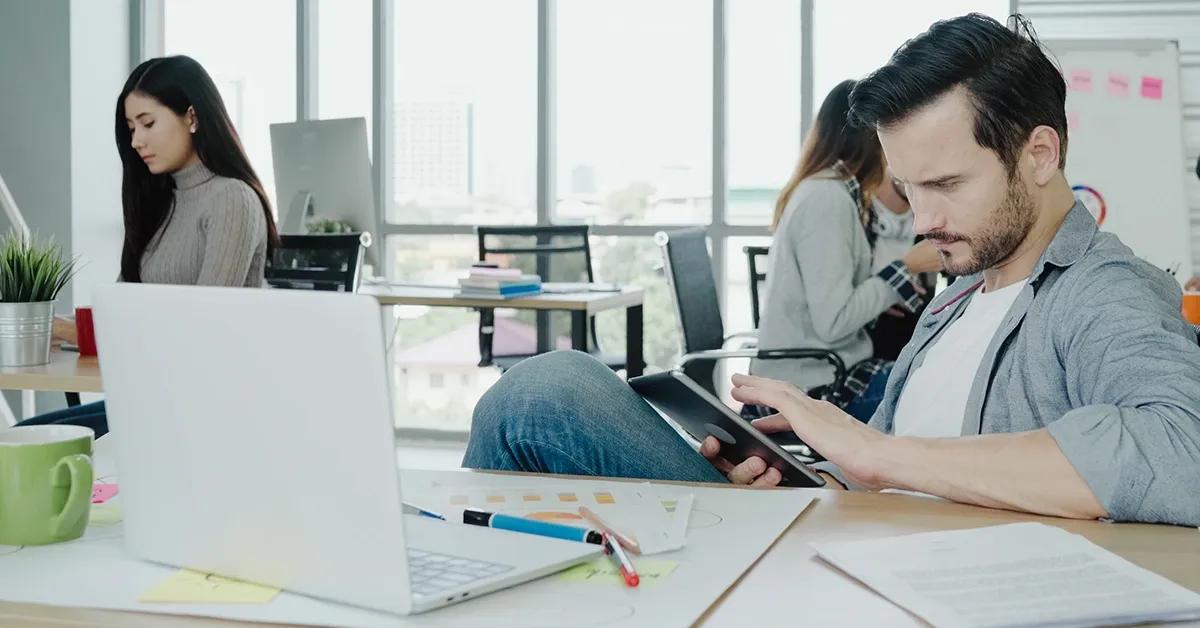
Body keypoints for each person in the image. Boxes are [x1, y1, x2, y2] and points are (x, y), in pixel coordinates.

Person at [462, 13, 1200, 527]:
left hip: (888, 570)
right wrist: (816, 471)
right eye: (910, 191)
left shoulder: (1102, 289)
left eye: (946, 186)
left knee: (544, 395)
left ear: (1039, 155)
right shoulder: (959, 297)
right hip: (828, 525)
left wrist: (880, 457)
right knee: (549, 392)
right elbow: (878, 466)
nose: (923, 220)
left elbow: (1184, 451)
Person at [17, 55, 279, 438]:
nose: (136, 141)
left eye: (148, 123)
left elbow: (201, 328)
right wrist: (55, 328)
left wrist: (80, 334)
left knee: (22, 452)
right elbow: (123, 309)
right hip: (152, 397)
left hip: (203, 408)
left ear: (191, 117)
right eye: (130, 127)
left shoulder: (231, 200)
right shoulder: (160, 202)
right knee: (19, 438)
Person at [751, 80, 942, 422]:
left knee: (935, 376)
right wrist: (906, 266)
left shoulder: (832, 192)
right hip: (822, 383)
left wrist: (885, 287)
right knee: (941, 392)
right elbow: (835, 322)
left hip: (833, 370)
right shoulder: (828, 200)